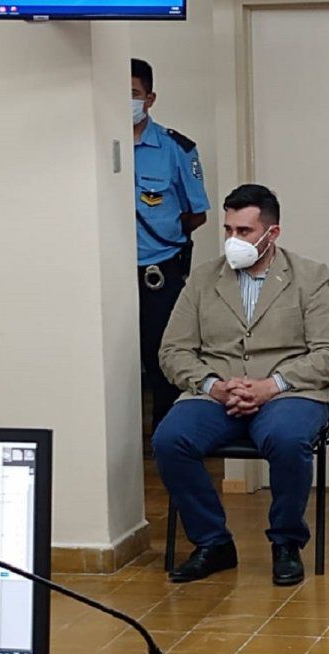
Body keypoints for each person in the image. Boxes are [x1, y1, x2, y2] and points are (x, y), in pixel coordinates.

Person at [152, 184, 329, 586]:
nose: (233, 240)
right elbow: (173, 350)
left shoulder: (309, 277)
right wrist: (213, 386)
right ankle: (213, 543)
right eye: (228, 230)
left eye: (244, 231)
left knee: (287, 438)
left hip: (289, 392)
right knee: (170, 440)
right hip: (217, 393)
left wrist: (271, 385)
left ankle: (286, 543)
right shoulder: (203, 279)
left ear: (271, 234)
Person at [132, 58, 210, 434]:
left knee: (162, 359)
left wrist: (159, 238)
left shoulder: (175, 148)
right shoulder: (92, 146)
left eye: (133, 93)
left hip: (157, 272)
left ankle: (164, 439)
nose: (126, 101)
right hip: (104, 274)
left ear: (149, 99)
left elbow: (196, 213)